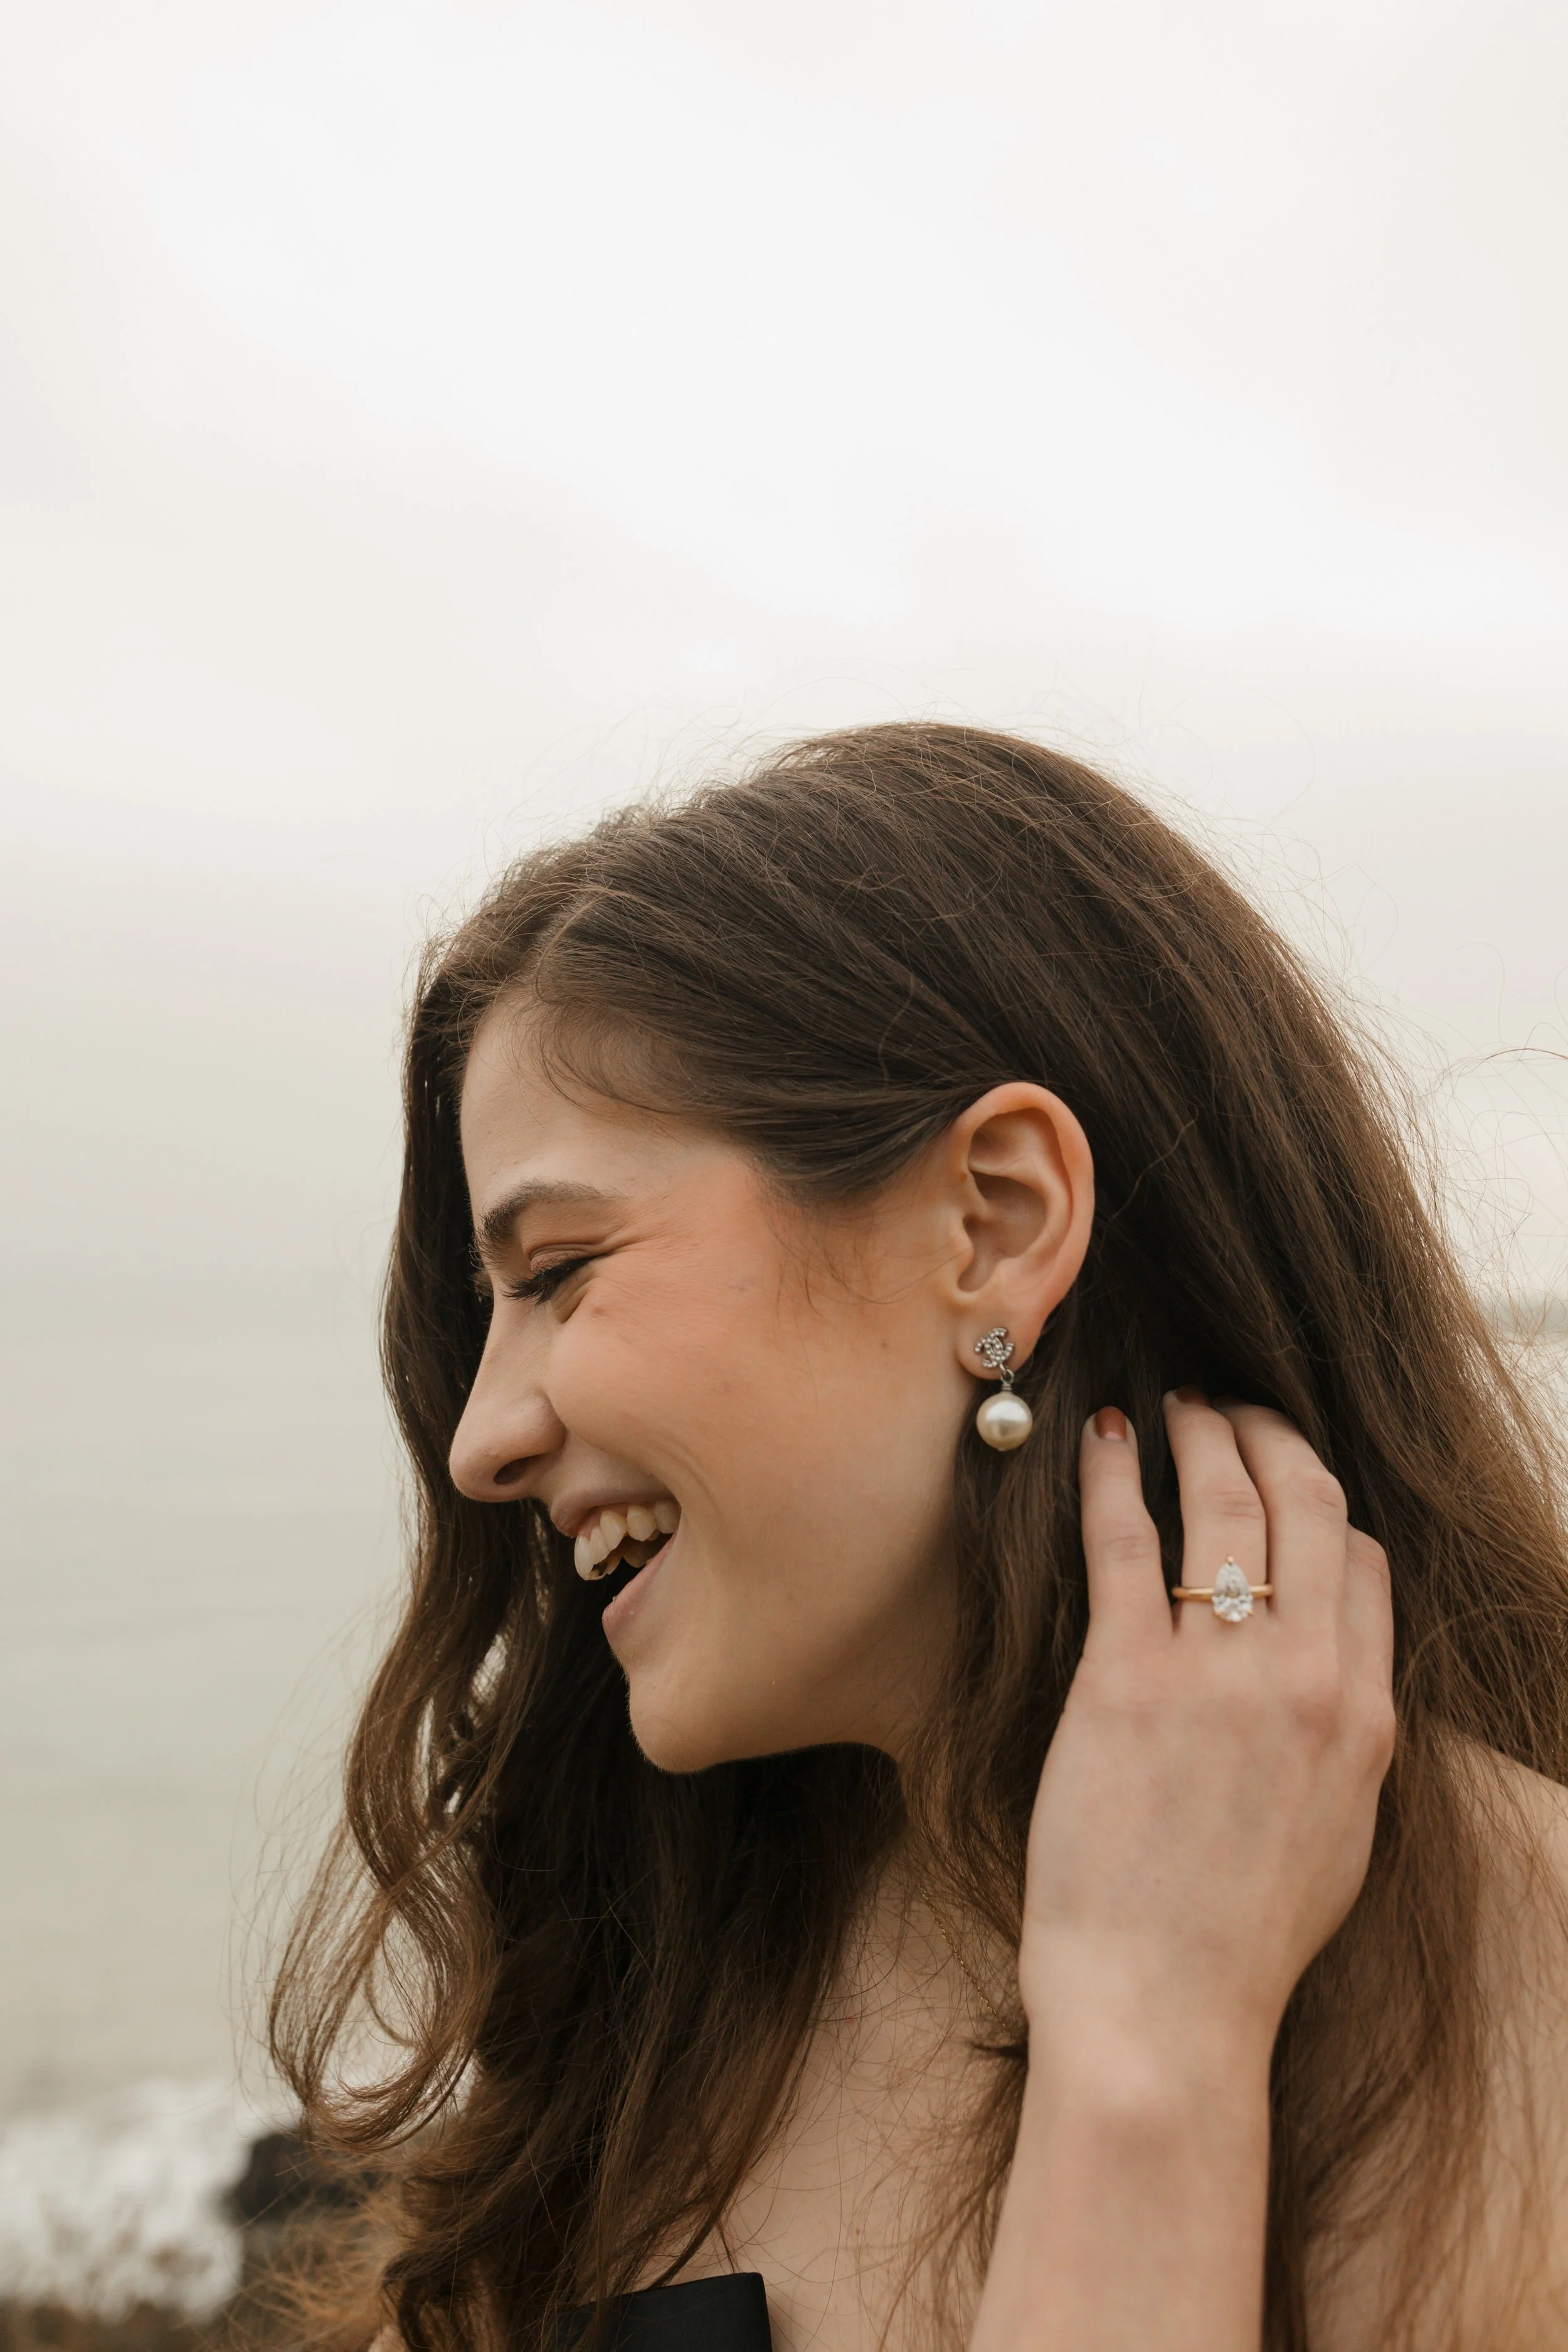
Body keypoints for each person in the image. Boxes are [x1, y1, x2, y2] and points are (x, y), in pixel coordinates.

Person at [272, 723, 1568, 2352]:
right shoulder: (650, 2010)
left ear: (996, 1223)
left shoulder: (1528, 2008)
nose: (481, 1441)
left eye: (557, 1273)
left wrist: (1149, 2044)